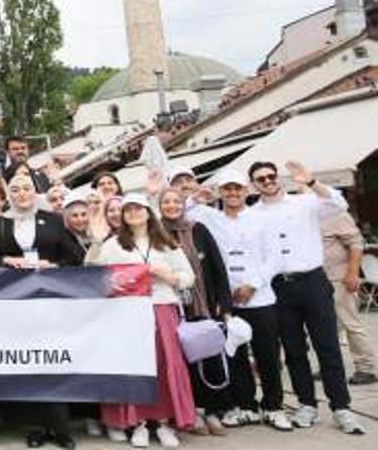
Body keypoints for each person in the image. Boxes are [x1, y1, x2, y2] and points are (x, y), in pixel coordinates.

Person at [248, 160, 366, 434]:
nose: (267, 181)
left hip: (312, 280)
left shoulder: (305, 202)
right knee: (294, 350)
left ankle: (341, 407)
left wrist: (311, 182)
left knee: (328, 347)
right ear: (254, 185)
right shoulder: (254, 214)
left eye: (270, 176)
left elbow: (339, 204)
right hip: (279, 286)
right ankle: (306, 404)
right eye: (261, 179)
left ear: (278, 178)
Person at [0, 172, 83, 450]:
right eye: (16, 190)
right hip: (15, 303)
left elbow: (75, 258)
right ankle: (37, 427)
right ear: (9, 195)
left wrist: (55, 267)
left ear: (34, 192)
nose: (22, 194)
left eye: (27, 189)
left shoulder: (53, 221)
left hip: (51, 300)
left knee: (54, 360)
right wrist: (5, 259)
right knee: (27, 362)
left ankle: (61, 428)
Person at [86, 193, 196, 448]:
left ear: (148, 212)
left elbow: (188, 276)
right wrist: (96, 241)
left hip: (162, 308)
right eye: (128, 210)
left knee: (165, 365)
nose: (134, 213)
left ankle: (165, 422)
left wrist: (167, 275)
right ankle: (140, 423)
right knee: (136, 367)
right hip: (129, 313)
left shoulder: (166, 242)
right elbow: (93, 272)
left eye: (139, 208)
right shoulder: (114, 245)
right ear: (123, 216)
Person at [185, 168, 289, 430]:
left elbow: (275, 257)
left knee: (267, 354)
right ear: (220, 192)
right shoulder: (211, 218)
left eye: (237, 188)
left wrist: (253, 285)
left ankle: (274, 406)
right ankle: (246, 406)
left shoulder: (261, 219)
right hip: (228, 301)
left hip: (260, 297)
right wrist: (196, 195)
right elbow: (179, 210)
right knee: (235, 355)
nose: (233, 193)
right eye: (227, 189)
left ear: (246, 191)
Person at [152, 181, 233, 437]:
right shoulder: (154, 235)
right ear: (159, 206)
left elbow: (218, 267)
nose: (172, 206)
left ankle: (213, 411)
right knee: (181, 363)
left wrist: (224, 302)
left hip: (203, 304)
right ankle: (192, 411)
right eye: (166, 202)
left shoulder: (198, 230)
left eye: (176, 201)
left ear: (183, 204)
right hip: (172, 306)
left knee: (208, 358)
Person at [320, 208, 375, 385]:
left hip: (340, 278)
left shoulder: (336, 213)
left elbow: (356, 243)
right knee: (325, 327)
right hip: (316, 280)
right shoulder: (306, 215)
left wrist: (352, 273)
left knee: (351, 323)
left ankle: (366, 368)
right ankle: (329, 366)